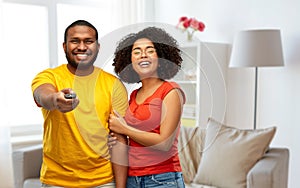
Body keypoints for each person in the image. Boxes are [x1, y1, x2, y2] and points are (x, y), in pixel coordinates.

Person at [31, 20, 128, 188]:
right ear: (64, 46)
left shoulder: (113, 85)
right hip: (57, 181)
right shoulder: (49, 76)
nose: (81, 47)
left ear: (97, 47)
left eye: (88, 41)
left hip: (103, 181)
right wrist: (55, 99)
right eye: (75, 41)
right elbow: (42, 94)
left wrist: (120, 187)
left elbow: (119, 139)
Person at [108, 26, 186, 188]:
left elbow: (164, 144)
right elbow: (133, 139)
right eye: (136, 51)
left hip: (163, 179)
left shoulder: (171, 91)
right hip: (133, 178)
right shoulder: (134, 95)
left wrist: (125, 129)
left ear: (161, 57)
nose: (143, 54)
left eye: (150, 50)